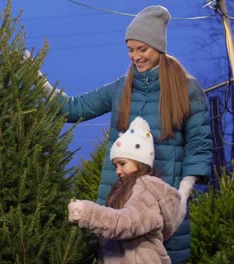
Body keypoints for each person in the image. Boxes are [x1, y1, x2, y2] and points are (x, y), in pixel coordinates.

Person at [37, 5, 213, 263]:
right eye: (131, 50)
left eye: (143, 49)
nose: (136, 56)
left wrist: (182, 197)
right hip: (116, 203)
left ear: (159, 48)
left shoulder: (187, 89)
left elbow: (199, 148)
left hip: (163, 208)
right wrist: (37, 79)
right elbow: (73, 109)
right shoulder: (121, 88)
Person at [68, 116, 181, 264]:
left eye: (122, 164)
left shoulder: (146, 190)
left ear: (140, 161)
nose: (118, 171)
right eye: (116, 166)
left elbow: (127, 222)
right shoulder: (127, 188)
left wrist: (87, 212)